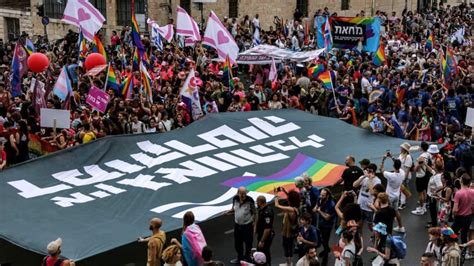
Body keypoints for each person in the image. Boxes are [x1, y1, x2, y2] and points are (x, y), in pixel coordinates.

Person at [225, 187, 256, 264]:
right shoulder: (235, 199)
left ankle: (248, 258)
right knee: (237, 243)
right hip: (237, 225)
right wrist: (228, 212)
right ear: (238, 193)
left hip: (247, 226)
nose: (243, 195)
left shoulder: (250, 200)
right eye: (241, 193)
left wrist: (254, 223)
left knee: (248, 243)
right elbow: (234, 209)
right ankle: (240, 258)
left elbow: (255, 212)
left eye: (244, 193)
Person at [274, 189, 300, 266]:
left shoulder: (290, 209)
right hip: (289, 231)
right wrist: (285, 191)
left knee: (287, 247)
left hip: (288, 232)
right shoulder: (295, 208)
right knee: (289, 246)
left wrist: (275, 195)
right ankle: (289, 262)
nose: (287, 199)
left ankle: (288, 263)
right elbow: (290, 197)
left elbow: (277, 205)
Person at [380, 155, 405, 233]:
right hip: (397, 196)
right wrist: (392, 158)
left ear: (393, 166)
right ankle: (401, 227)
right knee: (396, 211)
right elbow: (397, 165)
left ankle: (386, 231)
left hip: (389, 197)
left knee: (386, 214)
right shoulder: (402, 172)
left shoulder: (390, 175)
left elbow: (381, 169)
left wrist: (383, 159)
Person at [353, 163, 380, 232]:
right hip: (360, 205)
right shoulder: (364, 178)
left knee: (370, 226)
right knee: (359, 225)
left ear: (373, 171)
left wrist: (370, 179)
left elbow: (372, 192)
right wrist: (363, 177)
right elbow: (354, 185)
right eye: (367, 170)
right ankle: (359, 239)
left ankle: (375, 236)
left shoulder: (377, 181)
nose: (367, 172)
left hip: (369, 208)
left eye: (369, 171)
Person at [314, 188, 336, 266]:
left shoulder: (331, 204)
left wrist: (319, 211)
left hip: (327, 225)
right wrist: (315, 208)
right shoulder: (320, 199)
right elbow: (316, 206)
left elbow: (327, 217)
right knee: (321, 239)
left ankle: (325, 257)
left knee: (325, 240)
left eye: (323, 195)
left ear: (327, 195)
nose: (321, 196)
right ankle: (326, 249)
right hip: (320, 223)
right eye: (321, 194)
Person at [451, 174, 474, 245]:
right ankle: (464, 251)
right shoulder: (472, 192)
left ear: (461, 181)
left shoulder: (458, 193)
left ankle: (453, 246)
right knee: (464, 235)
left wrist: (453, 215)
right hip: (468, 217)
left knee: (451, 233)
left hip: (459, 217)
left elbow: (455, 210)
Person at [412, 142, 433, 215]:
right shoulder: (429, 155)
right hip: (427, 175)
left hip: (420, 176)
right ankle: (423, 207)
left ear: (422, 147)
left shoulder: (421, 157)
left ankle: (421, 209)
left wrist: (414, 167)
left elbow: (416, 168)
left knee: (420, 193)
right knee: (424, 191)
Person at [255, 195, 274, 265]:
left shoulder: (267, 212)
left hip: (266, 236)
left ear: (260, 202)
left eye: (257, 201)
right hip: (261, 233)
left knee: (264, 251)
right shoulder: (262, 209)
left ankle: (267, 263)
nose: (256, 203)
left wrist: (262, 241)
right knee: (262, 250)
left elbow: (267, 229)